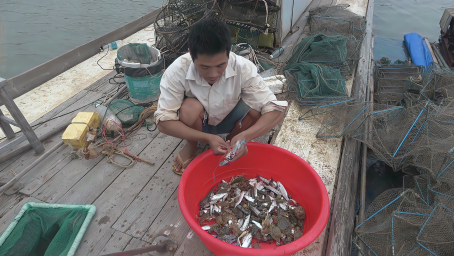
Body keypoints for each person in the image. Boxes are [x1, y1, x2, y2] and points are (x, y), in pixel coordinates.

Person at [154, 18, 288, 175]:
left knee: (257, 110)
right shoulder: (177, 71)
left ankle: (232, 143)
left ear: (229, 52)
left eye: (220, 65)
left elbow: (276, 110)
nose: (213, 74)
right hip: (199, 123)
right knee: (189, 108)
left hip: (230, 120)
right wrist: (206, 138)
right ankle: (192, 144)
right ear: (191, 54)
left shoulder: (243, 67)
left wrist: (245, 136)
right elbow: (163, 122)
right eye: (204, 67)